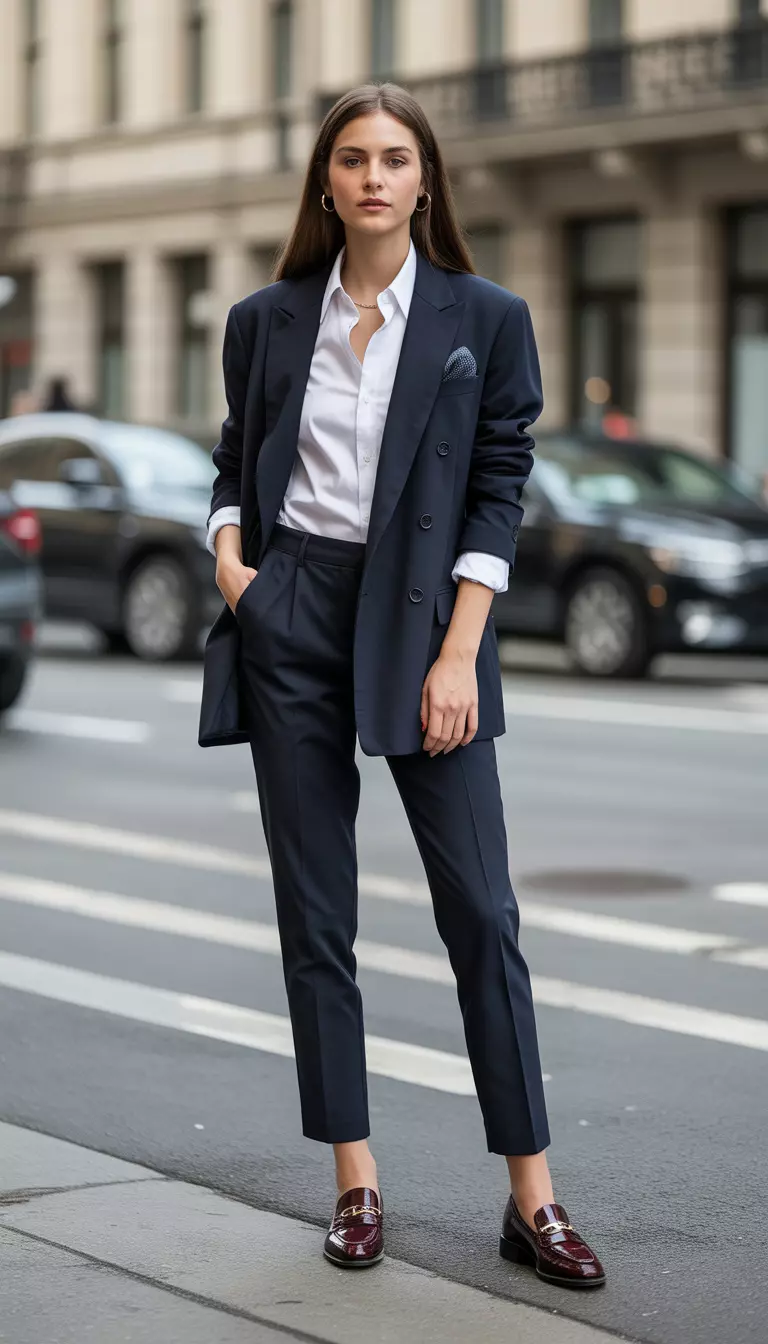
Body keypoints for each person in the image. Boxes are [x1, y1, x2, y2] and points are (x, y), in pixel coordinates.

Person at [199, 82, 605, 1289]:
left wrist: (456, 651)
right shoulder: (266, 320)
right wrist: (235, 573)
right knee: (318, 921)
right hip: (296, 608)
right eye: (352, 158)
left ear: (426, 180)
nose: (374, 176)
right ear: (325, 182)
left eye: (395, 157)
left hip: (431, 616)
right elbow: (236, 460)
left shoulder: (489, 315)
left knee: (483, 912)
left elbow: (500, 484)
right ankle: (355, 1180)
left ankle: (532, 1199)